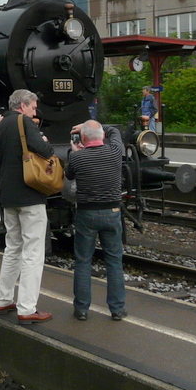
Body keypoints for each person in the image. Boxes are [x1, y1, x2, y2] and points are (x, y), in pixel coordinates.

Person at [0, 88, 56, 323]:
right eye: (34, 107)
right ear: (24, 105)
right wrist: (45, 140)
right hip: (30, 196)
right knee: (33, 252)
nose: (35, 112)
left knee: (12, 248)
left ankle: (3, 299)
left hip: (8, 197)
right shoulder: (25, 122)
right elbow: (46, 151)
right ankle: (27, 308)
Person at [66, 120, 127, 321]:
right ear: (102, 136)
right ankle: (117, 309)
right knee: (114, 261)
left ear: (83, 139)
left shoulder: (77, 157)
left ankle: (82, 309)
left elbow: (69, 176)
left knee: (83, 261)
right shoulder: (116, 151)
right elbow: (114, 130)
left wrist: (74, 152)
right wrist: (87, 124)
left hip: (87, 214)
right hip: (112, 212)